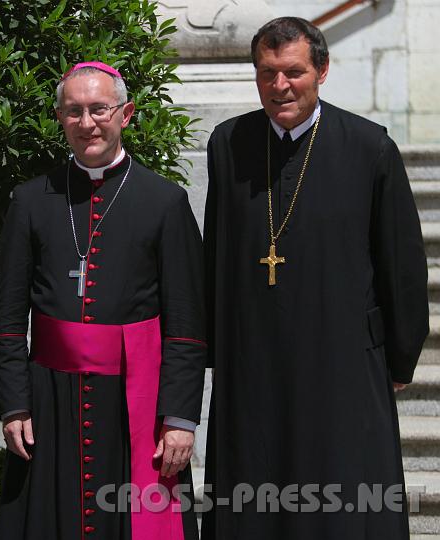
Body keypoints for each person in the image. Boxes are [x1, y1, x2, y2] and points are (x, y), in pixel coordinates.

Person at [202, 17, 429, 540]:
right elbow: (216, 250)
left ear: (321, 71)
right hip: (253, 362)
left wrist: (399, 354)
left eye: (293, 72)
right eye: (266, 73)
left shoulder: (369, 147)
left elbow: (401, 263)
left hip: (342, 364)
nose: (279, 86)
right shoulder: (228, 143)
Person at [0, 61, 206, 539]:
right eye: (74, 112)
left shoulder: (164, 201)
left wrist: (180, 418)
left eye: (99, 109)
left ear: (125, 114)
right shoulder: (30, 200)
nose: (87, 123)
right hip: (48, 400)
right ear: (61, 119)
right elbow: (6, 319)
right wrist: (13, 405)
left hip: (135, 400)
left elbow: (186, 323)